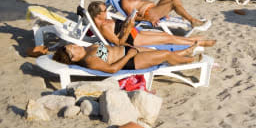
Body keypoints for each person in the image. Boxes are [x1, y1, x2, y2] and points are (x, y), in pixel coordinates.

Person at [87, 1, 216, 48]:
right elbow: (119, 43)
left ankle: (192, 40)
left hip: (134, 32)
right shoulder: (103, 27)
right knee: (167, 39)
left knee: (166, 35)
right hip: (134, 39)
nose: (107, 12)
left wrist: (128, 22)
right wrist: (128, 28)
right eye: (105, 11)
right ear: (97, 14)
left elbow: (119, 30)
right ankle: (197, 43)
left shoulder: (104, 21)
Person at [53, 42, 203, 73]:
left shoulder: (86, 50)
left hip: (127, 51)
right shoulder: (90, 60)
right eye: (72, 49)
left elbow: (108, 51)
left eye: (71, 45)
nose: (75, 46)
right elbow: (112, 69)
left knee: (157, 50)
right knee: (165, 55)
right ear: (73, 59)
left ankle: (185, 52)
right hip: (130, 61)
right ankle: (191, 61)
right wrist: (130, 54)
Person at [112, 0, 210, 30]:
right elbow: (132, 17)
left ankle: (184, 15)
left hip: (154, 9)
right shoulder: (125, 3)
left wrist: (162, 12)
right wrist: (149, 20)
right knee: (173, 4)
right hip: (150, 14)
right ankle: (192, 20)